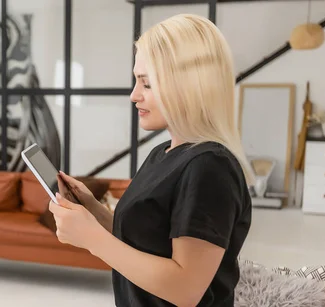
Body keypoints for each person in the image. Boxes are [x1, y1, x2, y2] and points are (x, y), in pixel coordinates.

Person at [48, 14, 255, 307]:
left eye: (146, 84)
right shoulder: (163, 153)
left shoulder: (210, 167)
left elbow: (186, 289)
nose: (134, 95)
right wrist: (95, 213)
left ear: (187, 84)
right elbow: (149, 241)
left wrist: (93, 239)